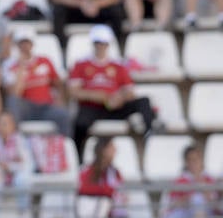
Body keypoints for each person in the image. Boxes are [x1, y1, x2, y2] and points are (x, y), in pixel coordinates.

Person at [67, 23, 157, 159]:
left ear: (108, 44)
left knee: (144, 101)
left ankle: (150, 135)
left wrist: (119, 98)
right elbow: (73, 92)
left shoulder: (118, 65)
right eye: (98, 42)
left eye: (103, 42)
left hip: (114, 107)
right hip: (92, 107)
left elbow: (130, 92)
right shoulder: (81, 64)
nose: (100, 46)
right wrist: (99, 97)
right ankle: (78, 156)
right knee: (79, 124)